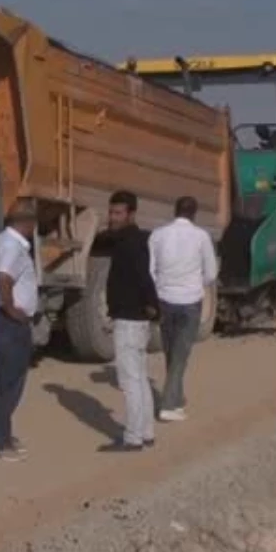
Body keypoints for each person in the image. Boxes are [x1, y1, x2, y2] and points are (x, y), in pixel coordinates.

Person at [0, 201, 39, 462]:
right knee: (10, 383)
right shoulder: (14, 247)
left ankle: (3, 434)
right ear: (27, 224)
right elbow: (3, 278)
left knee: (4, 380)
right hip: (9, 321)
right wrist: (10, 308)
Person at [148, 196, 218, 422]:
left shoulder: (157, 235)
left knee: (171, 351)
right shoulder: (201, 237)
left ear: (174, 210)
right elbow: (211, 273)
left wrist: (161, 286)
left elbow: (150, 269)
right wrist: (197, 283)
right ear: (194, 213)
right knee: (181, 353)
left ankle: (177, 398)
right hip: (190, 300)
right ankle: (168, 405)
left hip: (164, 299)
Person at [102, 190, 160, 452]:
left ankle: (133, 437)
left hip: (129, 320)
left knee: (130, 381)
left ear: (131, 214)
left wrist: (151, 306)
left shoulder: (131, 243)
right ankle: (145, 432)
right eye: (111, 212)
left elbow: (144, 277)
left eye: (118, 213)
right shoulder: (130, 240)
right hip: (134, 319)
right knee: (140, 378)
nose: (112, 218)